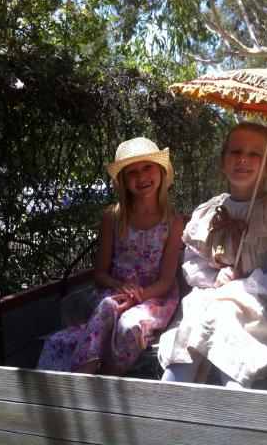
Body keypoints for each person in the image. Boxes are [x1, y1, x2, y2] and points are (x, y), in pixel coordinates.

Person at [158, 122, 267, 389]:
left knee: (228, 312)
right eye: (236, 151)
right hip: (217, 295)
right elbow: (194, 262)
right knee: (198, 310)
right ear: (223, 161)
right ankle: (171, 392)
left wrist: (245, 284)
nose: (243, 158)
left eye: (256, 154)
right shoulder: (211, 212)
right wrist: (214, 277)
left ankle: (235, 393)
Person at [38, 137, 184, 375]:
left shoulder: (173, 223)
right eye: (132, 172)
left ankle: (106, 378)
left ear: (161, 171)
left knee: (129, 326)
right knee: (107, 306)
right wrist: (121, 287)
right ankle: (84, 376)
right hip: (114, 292)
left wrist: (138, 296)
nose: (142, 176)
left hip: (153, 298)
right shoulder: (112, 218)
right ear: (124, 181)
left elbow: (166, 281)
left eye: (147, 166)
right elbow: (100, 275)